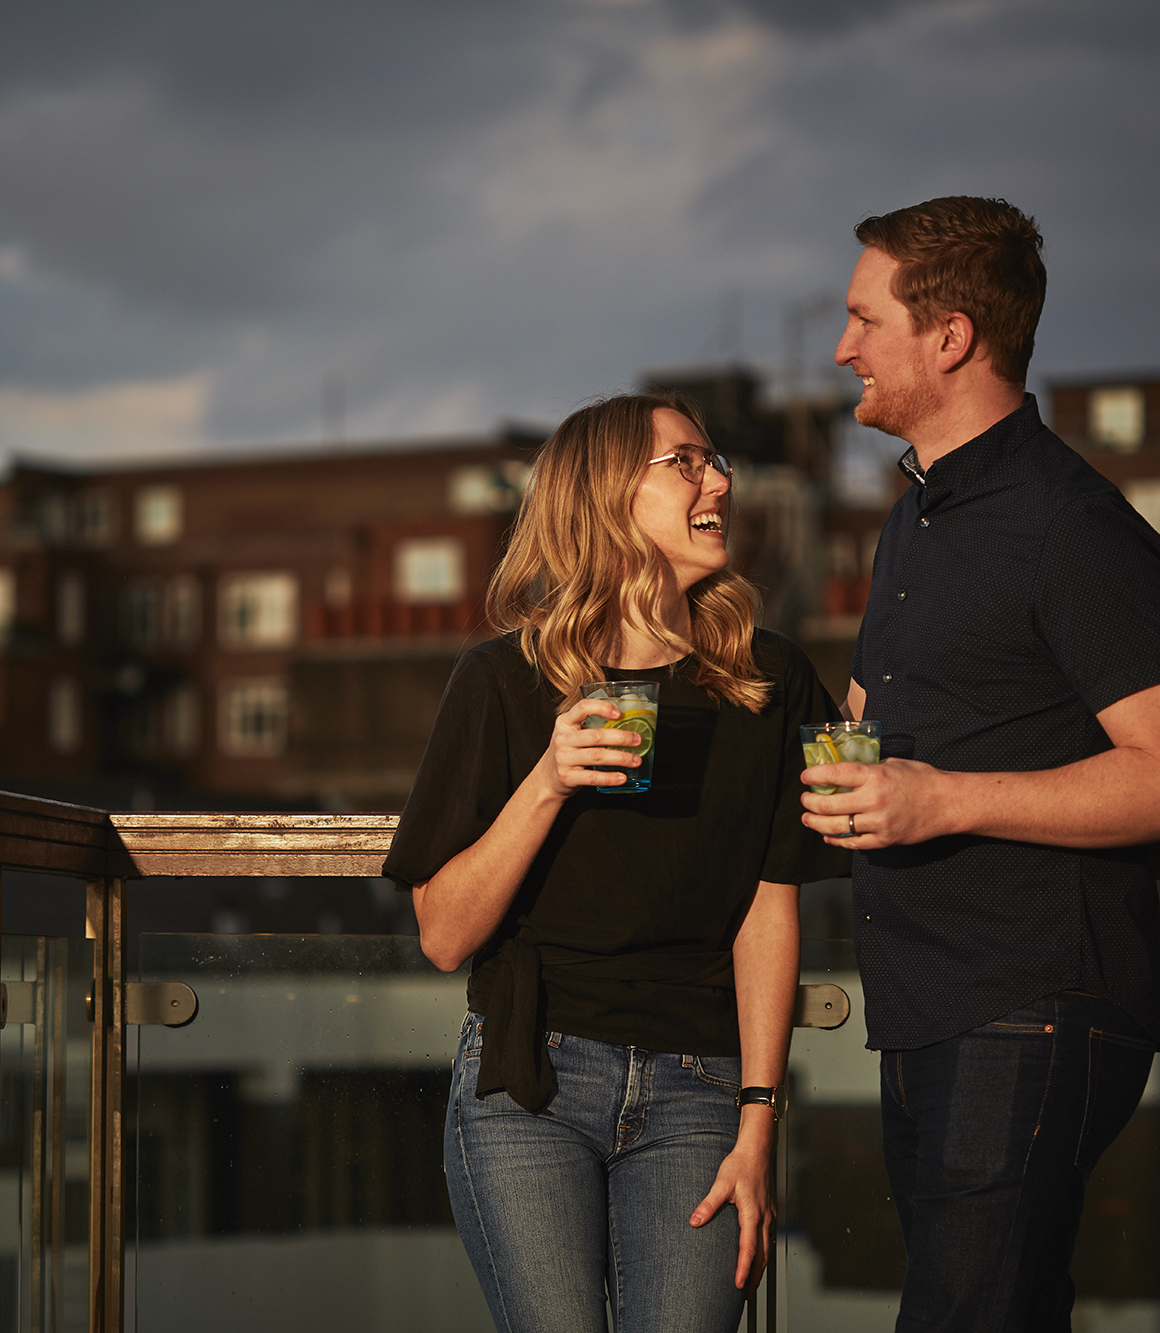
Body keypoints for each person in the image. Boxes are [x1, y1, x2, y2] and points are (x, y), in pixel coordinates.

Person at [385, 393, 848, 1333]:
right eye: (684, 461)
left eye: (715, 460)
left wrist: (760, 1119)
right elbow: (442, 934)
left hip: (704, 1090)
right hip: (531, 1084)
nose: (718, 478)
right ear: (603, 495)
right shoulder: (503, 680)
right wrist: (549, 780)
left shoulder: (772, 679)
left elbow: (770, 908)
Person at [801, 196, 1160, 1331]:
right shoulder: (914, 519)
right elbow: (870, 722)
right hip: (929, 1003)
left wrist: (934, 798)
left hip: (1029, 1001)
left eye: (863, 319)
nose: (840, 346)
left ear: (948, 336)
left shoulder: (1070, 526)